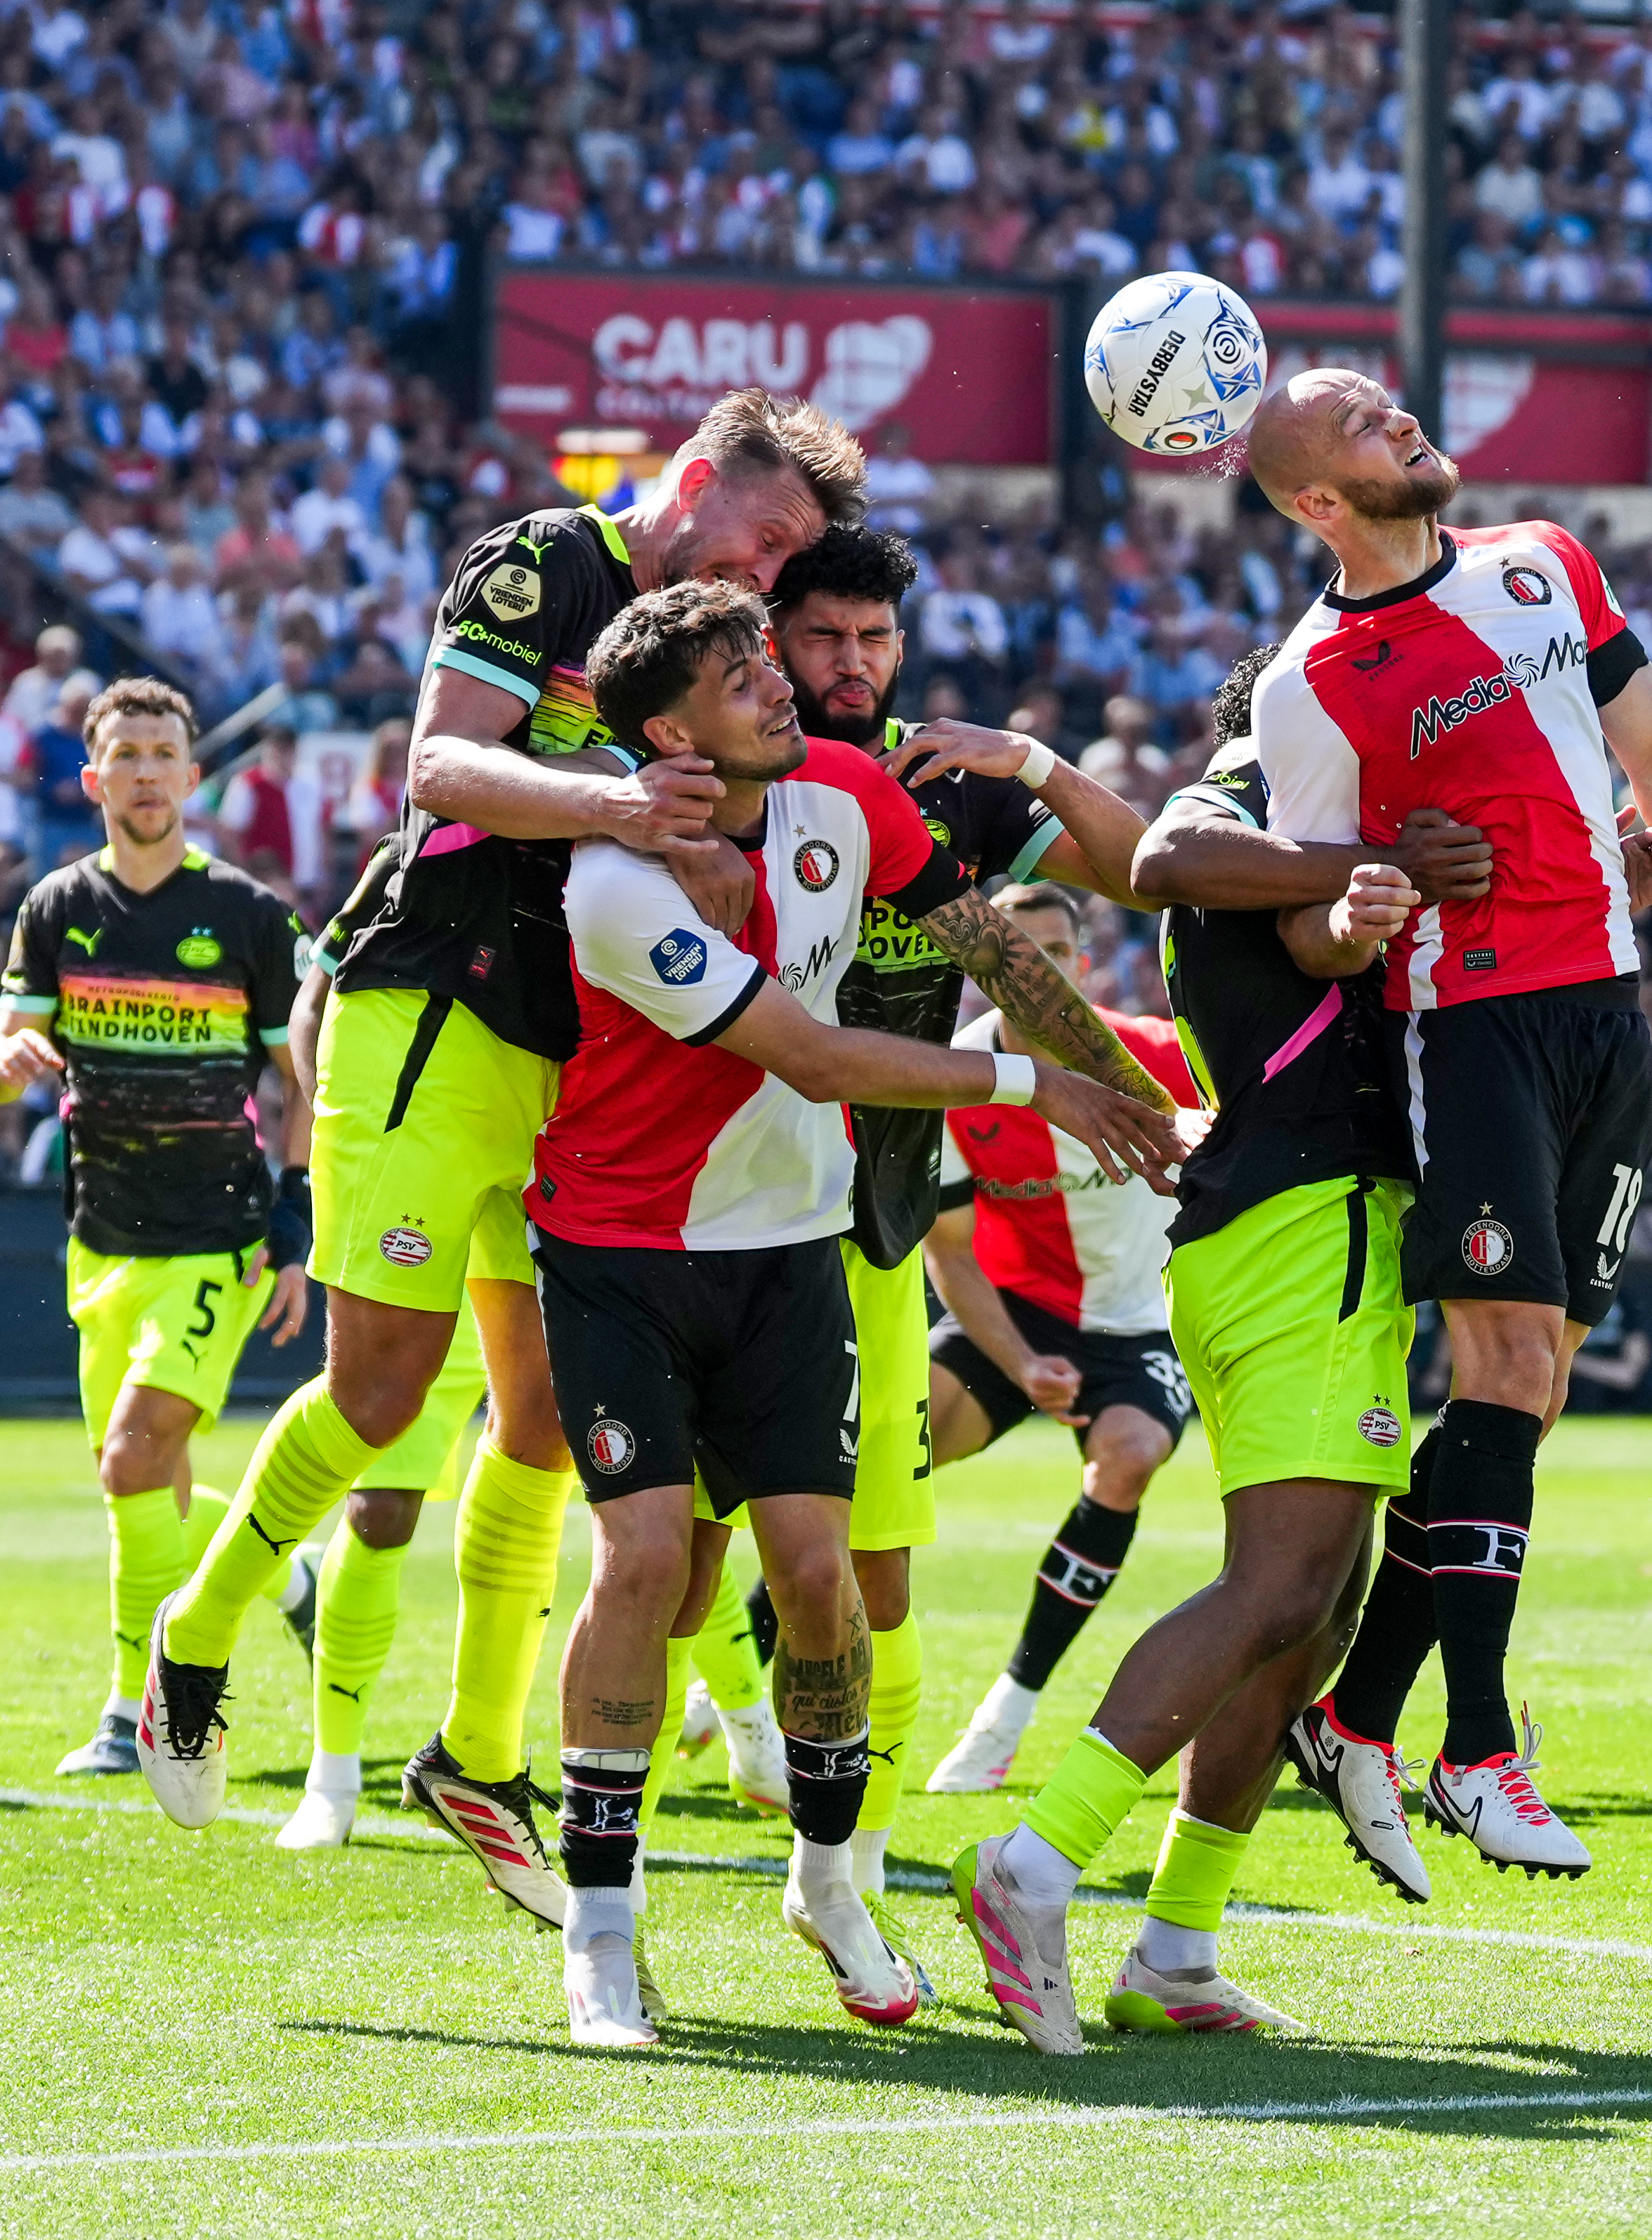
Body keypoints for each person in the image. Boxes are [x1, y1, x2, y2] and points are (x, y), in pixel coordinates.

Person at [143, 388, 872, 1929]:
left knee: (544, 1418)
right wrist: (620, 802)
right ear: (693, 482)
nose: (773, 573)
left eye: (795, 554)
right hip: (434, 1007)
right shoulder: (544, 561)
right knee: (382, 1391)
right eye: (768, 534)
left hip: (570, 1050)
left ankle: (477, 1756)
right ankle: (194, 1629)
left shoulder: (705, 651)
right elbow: (439, 768)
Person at [506, 580, 1184, 2044]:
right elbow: (812, 1054)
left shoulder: (850, 791)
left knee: (818, 1573)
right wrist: (1031, 1085)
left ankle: (827, 1880)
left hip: (795, 1248)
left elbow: (987, 943)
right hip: (620, 1248)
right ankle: (603, 1932)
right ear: (667, 729)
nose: (778, 680)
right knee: (641, 1566)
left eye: (772, 654)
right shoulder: (620, 874)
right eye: (736, 670)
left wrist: (1121, 1088)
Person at [1242, 369, 1652, 1878]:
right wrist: (1375, 884)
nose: (1402, 424)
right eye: (1365, 428)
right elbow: (1307, 919)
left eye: (1391, 405)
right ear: (1317, 502)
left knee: (1535, 1389)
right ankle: (1479, 1743)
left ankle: (1358, 1712)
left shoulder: (1544, 564)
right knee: (1505, 1367)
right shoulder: (1310, 681)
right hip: (1469, 1023)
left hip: (1608, 1014)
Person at [945, 641, 1457, 2049]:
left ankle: (1174, 1944)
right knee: (1280, 1580)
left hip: (1297, 1228)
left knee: (1316, 1599)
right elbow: (1177, 854)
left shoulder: (1272, 822)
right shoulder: (1248, 796)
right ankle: (1034, 1858)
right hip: (1300, 1230)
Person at [756, 523, 1166, 1886]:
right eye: (824, 636)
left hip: (875, 1201)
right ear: (772, 641)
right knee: (689, 1534)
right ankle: (714, 1740)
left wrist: (1036, 762)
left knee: (876, 1550)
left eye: (877, 639)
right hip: (723, 1185)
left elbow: (1144, 872)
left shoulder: (946, 788)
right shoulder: (725, 771)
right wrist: (1042, 1076)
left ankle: (857, 1853)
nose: (854, 663)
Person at [0, 676, 315, 1778]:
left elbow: (303, 1078)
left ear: (192, 773)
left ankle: (140, 1708)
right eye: (125, 755)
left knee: (132, 1459)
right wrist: (3, 1064)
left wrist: (295, 1227)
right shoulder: (56, 907)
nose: (147, 773)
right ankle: (285, 1575)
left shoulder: (251, 916)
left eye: (164, 753)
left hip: (214, 1236)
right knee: (147, 1486)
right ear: (93, 778)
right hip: (98, 1238)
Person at [915, 884, 1200, 1795]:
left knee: (1126, 1456)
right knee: (882, 1455)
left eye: (1053, 949)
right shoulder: (950, 1075)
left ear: (1083, 964)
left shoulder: (1157, 1055)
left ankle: (1006, 1715)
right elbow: (949, 1253)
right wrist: (1019, 1363)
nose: (1035, 967)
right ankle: (745, 1694)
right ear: (982, 965)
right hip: (1015, 1313)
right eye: (1015, 949)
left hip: (1138, 1323)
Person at [263, 834, 509, 1850]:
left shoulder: (613, 845)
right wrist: (346, 1150)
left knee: (645, 1499)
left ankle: (745, 1728)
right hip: (421, 1219)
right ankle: (333, 1770)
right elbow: (311, 1002)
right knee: (380, 1509)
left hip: (548, 1219)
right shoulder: (412, 855)